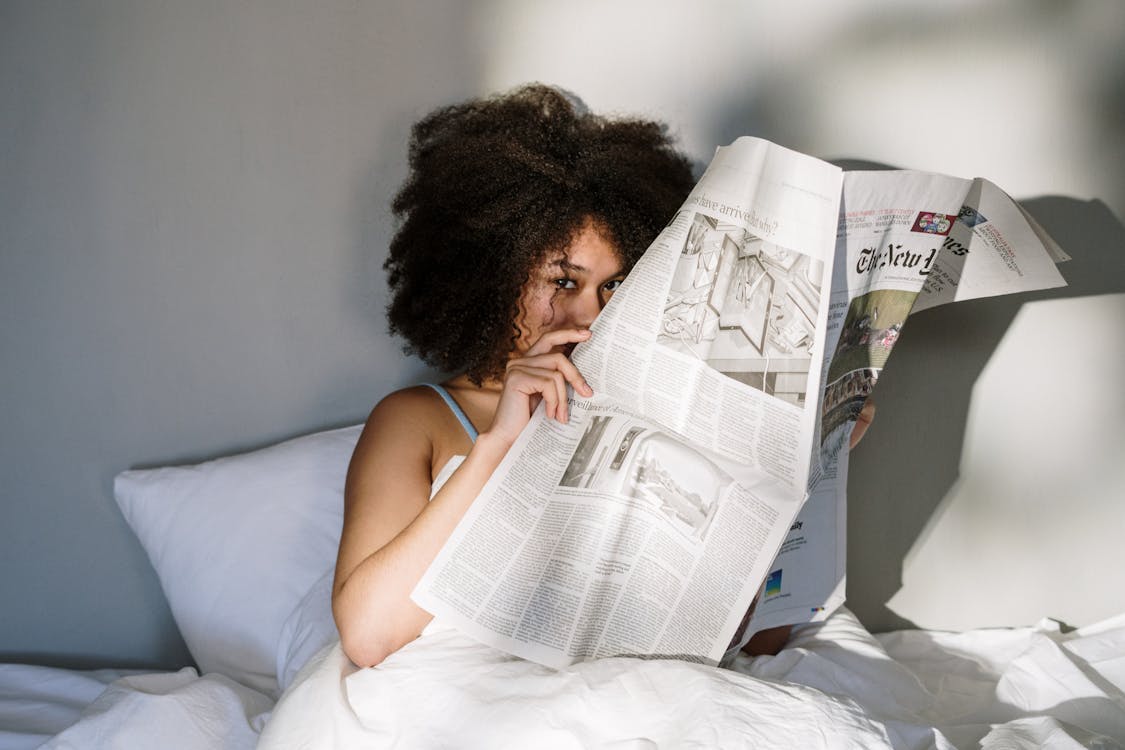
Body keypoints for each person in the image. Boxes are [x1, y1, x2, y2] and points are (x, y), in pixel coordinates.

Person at [332, 84, 875, 669]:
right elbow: (367, 636)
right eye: (563, 282)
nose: (591, 313)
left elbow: (760, 646)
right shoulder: (419, 417)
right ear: (492, 277)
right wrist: (500, 445)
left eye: (613, 285)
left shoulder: (663, 413)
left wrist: (804, 468)